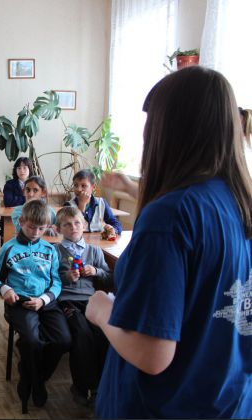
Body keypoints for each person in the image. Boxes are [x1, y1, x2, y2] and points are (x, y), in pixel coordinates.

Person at [86, 66, 252, 418]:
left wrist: (101, 310)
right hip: (226, 401)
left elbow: (152, 353)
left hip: (162, 406)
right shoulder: (238, 205)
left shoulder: (170, 218)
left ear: (171, 130)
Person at [0, 200, 70, 413]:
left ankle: (34, 378)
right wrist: (6, 290)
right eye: (31, 227)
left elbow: (56, 282)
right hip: (20, 304)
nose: (35, 233)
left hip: (46, 302)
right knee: (32, 341)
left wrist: (44, 299)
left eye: (41, 229)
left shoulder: (50, 249)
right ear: (22, 221)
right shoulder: (9, 248)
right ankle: (34, 383)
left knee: (63, 340)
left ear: (48, 227)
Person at [54, 206, 111, 407]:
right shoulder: (55, 251)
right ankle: (81, 387)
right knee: (82, 333)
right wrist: (66, 277)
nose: (73, 227)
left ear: (84, 224)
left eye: (77, 223)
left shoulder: (94, 251)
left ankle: (99, 388)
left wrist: (95, 271)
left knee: (102, 333)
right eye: (67, 224)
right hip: (67, 301)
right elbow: (49, 279)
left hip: (90, 300)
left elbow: (108, 277)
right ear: (58, 229)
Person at [65, 169, 122, 235]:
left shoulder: (101, 202)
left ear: (93, 187)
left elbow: (116, 224)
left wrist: (113, 229)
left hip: (97, 240)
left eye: (83, 186)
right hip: (77, 240)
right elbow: (73, 227)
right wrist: (82, 204)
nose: (79, 189)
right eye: (75, 185)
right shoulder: (69, 205)